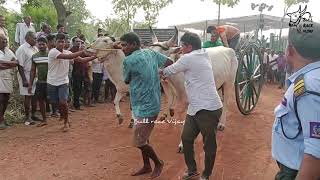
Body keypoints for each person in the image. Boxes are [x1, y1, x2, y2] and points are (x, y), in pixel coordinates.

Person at [159, 32, 223, 180]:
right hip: (195, 107)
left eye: (182, 46)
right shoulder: (203, 53)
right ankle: (192, 170)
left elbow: (168, 71)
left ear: (189, 47)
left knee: (209, 145)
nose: (180, 49)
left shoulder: (188, 58)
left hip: (208, 108)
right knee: (186, 138)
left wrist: (152, 70)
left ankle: (206, 175)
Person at [120, 32, 172, 179]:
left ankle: (158, 163)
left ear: (134, 44)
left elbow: (126, 80)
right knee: (144, 137)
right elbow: (169, 62)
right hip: (150, 103)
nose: (122, 48)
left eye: (125, 45)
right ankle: (147, 166)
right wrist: (158, 72)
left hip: (144, 106)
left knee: (138, 139)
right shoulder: (151, 53)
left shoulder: (128, 61)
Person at [271, 22, 320, 180]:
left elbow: (315, 153)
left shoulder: (308, 88)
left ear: (290, 50)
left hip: (294, 171)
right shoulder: (312, 78)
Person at [47, 33, 96, 131]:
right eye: (59, 41)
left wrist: (95, 57)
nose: (61, 43)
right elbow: (69, 57)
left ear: (65, 43)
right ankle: (63, 115)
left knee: (63, 102)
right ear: (55, 42)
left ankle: (66, 122)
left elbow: (82, 60)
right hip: (52, 81)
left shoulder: (68, 52)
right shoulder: (53, 52)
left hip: (63, 81)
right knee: (55, 102)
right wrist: (82, 51)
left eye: (63, 41)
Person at [16, 31, 40, 125]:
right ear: (27, 38)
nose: (36, 40)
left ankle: (33, 114)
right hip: (25, 74)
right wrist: (24, 79)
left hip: (35, 75)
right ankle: (27, 117)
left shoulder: (35, 48)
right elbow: (20, 65)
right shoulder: (22, 49)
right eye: (34, 38)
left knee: (34, 96)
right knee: (28, 96)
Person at [28, 37, 49, 127]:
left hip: (51, 81)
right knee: (40, 100)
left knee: (55, 99)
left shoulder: (50, 55)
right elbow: (33, 70)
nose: (41, 46)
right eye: (39, 44)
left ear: (46, 45)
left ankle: (64, 117)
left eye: (43, 44)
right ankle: (44, 119)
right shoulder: (35, 56)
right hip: (40, 81)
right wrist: (30, 84)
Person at [0, 34, 18, 130]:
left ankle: (2, 118)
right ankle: (1, 121)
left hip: (8, 77)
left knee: (6, 99)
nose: (5, 43)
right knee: (0, 99)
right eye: (3, 41)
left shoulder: (8, 50)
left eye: (6, 41)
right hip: (0, 78)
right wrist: (10, 64)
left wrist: (4, 63)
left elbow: (16, 62)